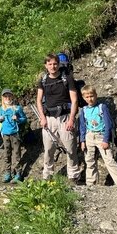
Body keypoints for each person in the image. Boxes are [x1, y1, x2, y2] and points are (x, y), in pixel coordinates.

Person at [36, 53, 81, 183]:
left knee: (70, 148)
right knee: (49, 149)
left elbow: (74, 100)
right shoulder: (43, 80)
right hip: (49, 119)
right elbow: (39, 101)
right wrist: (42, 118)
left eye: (55, 63)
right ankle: (47, 176)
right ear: (46, 65)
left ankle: (73, 176)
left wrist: (72, 119)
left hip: (65, 117)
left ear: (59, 64)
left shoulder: (67, 78)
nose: (53, 66)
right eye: (49, 64)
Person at [79, 85, 117, 186]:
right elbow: (82, 126)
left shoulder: (102, 107)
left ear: (96, 95)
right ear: (83, 97)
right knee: (89, 161)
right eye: (87, 97)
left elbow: (108, 124)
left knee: (108, 159)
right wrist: (82, 141)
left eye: (91, 96)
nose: (90, 99)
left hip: (101, 135)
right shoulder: (84, 110)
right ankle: (91, 184)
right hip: (89, 136)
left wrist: (105, 139)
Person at [0, 89, 28, 183]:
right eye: (5, 96)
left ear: (12, 97)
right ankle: (8, 173)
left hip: (15, 133)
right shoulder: (2, 108)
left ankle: (18, 174)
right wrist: (0, 119)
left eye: (9, 96)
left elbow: (24, 119)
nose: (8, 98)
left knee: (17, 154)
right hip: (5, 134)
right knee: (7, 154)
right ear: (3, 98)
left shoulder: (17, 108)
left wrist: (17, 119)